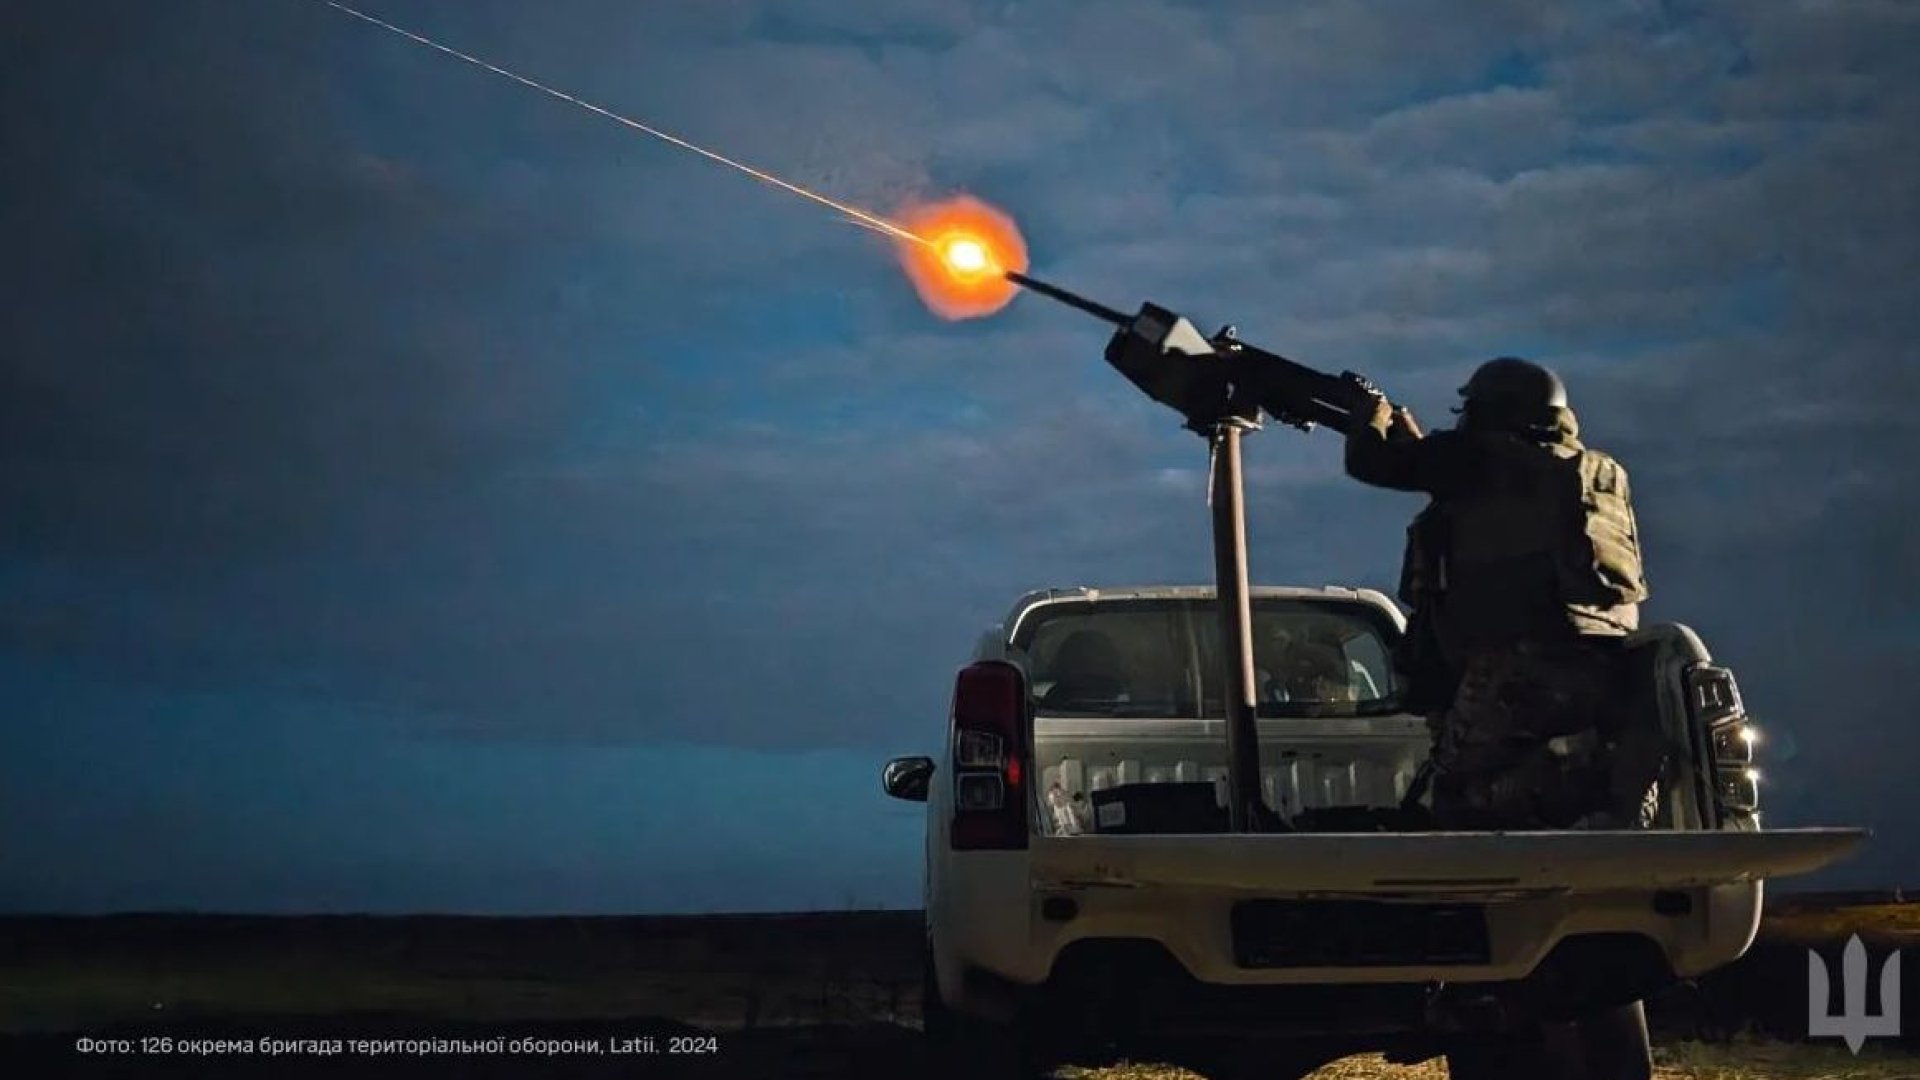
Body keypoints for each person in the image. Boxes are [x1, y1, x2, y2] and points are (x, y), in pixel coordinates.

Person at [1343, 357, 1656, 829]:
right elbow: (1482, 500)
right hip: (1602, 660)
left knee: (1456, 798)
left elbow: (1370, 462)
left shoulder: (1480, 455)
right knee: (1495, 776)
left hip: (1515, 663)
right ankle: (1596, 794)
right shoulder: (1590, 471)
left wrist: (1369, 414)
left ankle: (1580, 788)